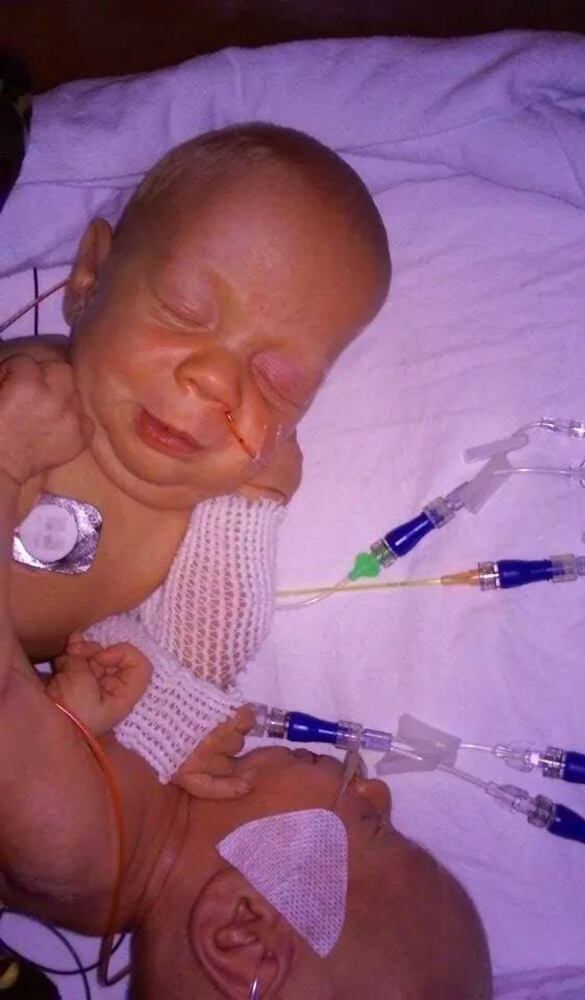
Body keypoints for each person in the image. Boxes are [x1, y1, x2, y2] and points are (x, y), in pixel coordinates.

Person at [0, 359, 492, 998]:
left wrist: (9, 455)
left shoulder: (71, 844)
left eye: (376, 827)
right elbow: (191, 635)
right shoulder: (157, 800)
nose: (377, 791)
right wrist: (248, 501)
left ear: (241, 931)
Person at [5, 121, 391, 666]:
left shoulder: (196, 519)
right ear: (91, 278)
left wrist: (248, 517)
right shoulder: (23, 394)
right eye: (183, 312)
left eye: (278, 380)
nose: (215, 380)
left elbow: (201, 660)